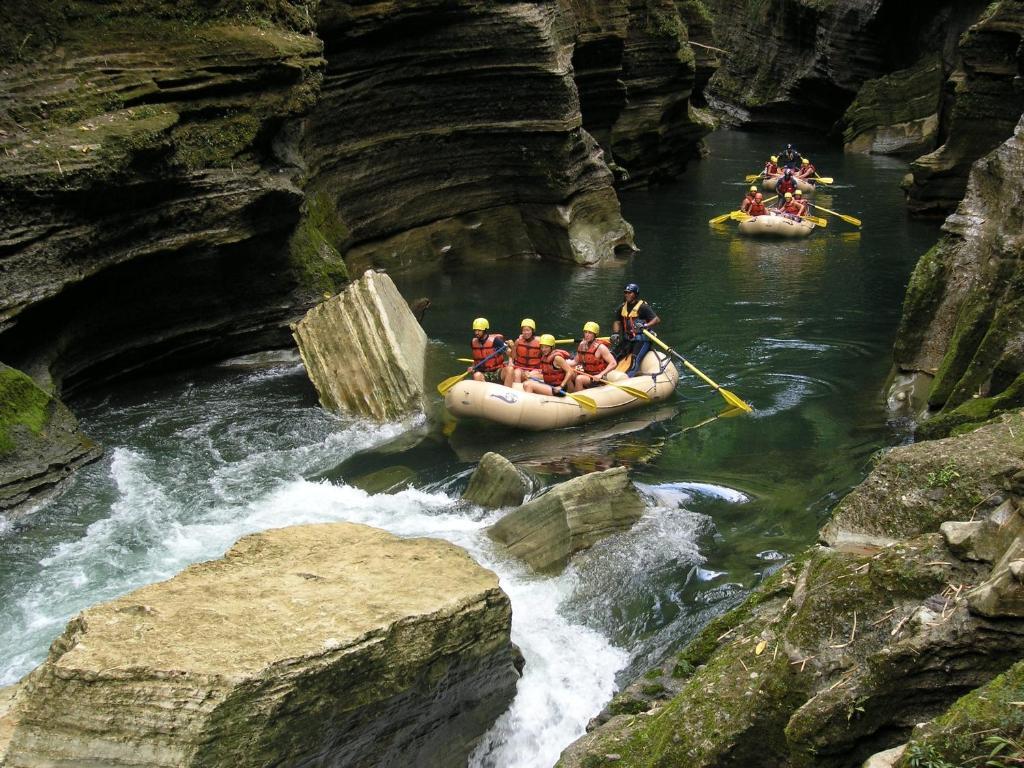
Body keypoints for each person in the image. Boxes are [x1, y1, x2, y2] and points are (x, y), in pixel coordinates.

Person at [616, 283, 660, 377]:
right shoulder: (622, 307)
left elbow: (656, 319)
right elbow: (617, 322)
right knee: (613, 356)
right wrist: (615, 333)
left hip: (642, 340)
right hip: (628, 340)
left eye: (630, 293)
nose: (627, 294)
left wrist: (645, 325)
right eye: (626, 292)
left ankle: (628, 379)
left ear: (635, 294)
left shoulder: (643, 307)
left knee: (634, 360)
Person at [571, 321, 617, 391]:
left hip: (598, 377)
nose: (587, 335)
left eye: (590, 333)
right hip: (586, 373)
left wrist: (600, 375)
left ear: (595, 335)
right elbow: (575, 361)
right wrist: (563, 364)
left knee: (579, 379)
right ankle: (569, 392)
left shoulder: (601, 347)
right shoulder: (582, 345)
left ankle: (577, 397)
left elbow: (613, 363)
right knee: (569, 373)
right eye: (585, 332)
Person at [503, 317, 544, 386]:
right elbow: (513, 357)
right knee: (517, 373)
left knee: (531, 375)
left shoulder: (540, 342)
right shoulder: (518, 341)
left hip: (535, 369)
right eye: (524, 330)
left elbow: (545, 357)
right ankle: (517, 391)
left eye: (528, 330)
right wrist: (513, 347)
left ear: (533, 331)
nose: (526, 332)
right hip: (521, 368)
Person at [468, 317, 506, 383]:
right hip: (482, 372)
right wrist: (472, 367)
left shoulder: (496, 341)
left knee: (509, 370)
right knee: (477, 375)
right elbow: (476, 359)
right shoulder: (473, 342)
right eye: (475, 330)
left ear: (485, 330)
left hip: (496, 371)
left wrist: (513, 347)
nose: (476, 333)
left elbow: (509, 353)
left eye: (479, 330)